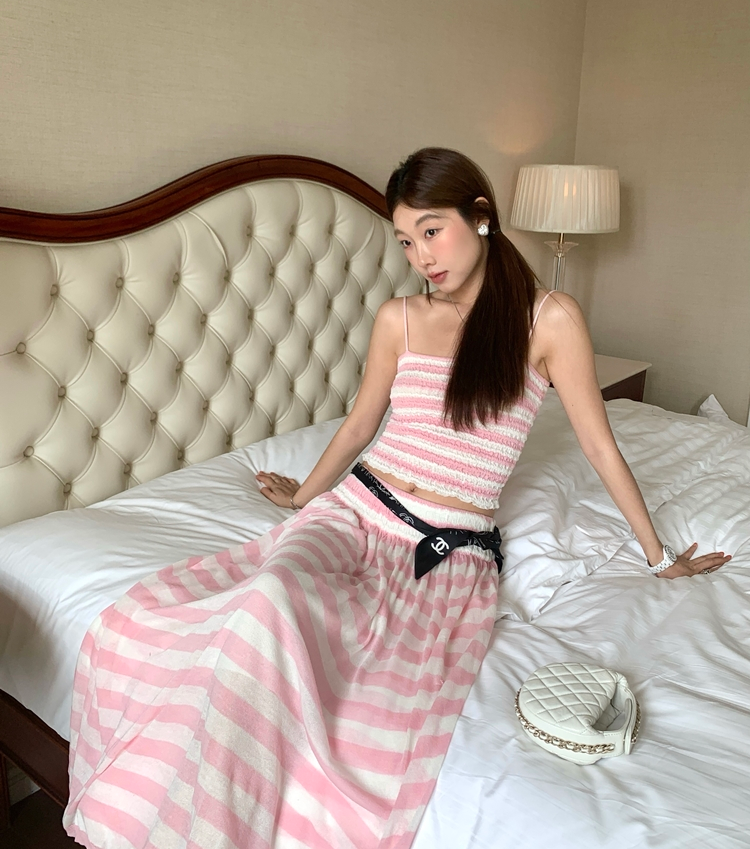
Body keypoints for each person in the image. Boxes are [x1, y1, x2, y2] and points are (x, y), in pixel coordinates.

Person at [65, 148, 730, 849]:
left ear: (481, 217)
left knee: (367, 691)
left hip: (445, 549)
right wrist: (305, 498)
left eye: (432, 231)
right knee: (265, 602)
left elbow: (599, 446)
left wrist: (660, 559)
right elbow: (360, 425)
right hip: (357, 509)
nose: (421, 256)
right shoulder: (400, 318)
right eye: (407, 241)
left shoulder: (550, 320)